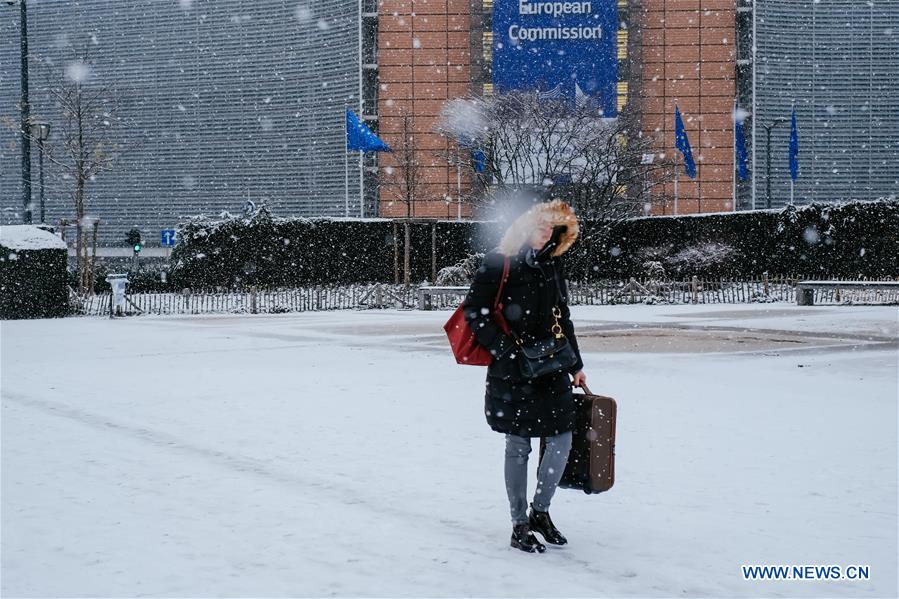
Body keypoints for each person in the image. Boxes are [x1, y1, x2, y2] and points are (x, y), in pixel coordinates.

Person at [463, 199, 587, 554]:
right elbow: (475, 311)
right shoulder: (498, 261)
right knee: (518, 446)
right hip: (513, 369)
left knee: (561, 439)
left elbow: (563, 315)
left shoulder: (553, 263)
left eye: (551, 230)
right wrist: (505, 350)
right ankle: (519, 524)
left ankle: (540, 512)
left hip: (552, 367)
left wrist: (576, 364)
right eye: (539, 227)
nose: (544, 235)